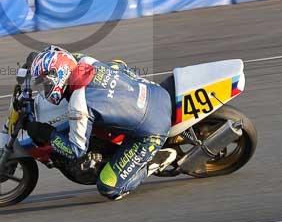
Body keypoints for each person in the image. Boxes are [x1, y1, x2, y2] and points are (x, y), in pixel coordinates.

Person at [24, 45, 176, 200]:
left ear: (59, 76)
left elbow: (76, 150)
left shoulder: (79, 104)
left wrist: (47, 133)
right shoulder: (83, 61)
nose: (45, 87)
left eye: (46, 83)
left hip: (153, 128)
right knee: (116, 64)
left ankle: (150, 164)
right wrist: (35, 61)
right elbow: (65, 56)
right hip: (153, 91)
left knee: (108, 187)